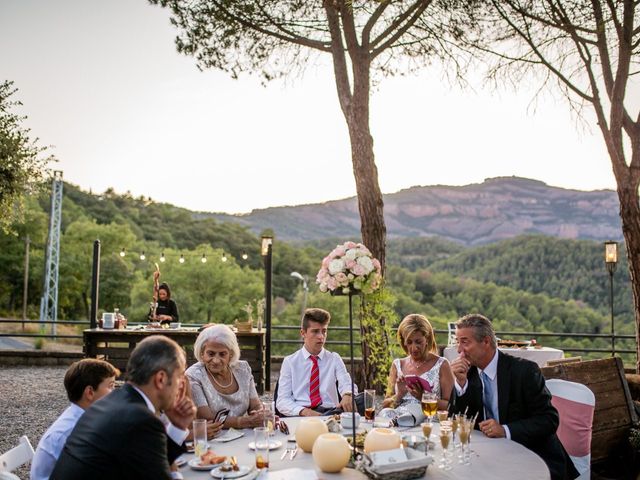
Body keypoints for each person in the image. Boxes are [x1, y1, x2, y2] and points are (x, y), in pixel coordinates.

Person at [449, 313, 578, 480]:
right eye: (457, 342)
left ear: (486, 341)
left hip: (534, 457)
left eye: (465, 342)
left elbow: (549, 420)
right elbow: (458, 422)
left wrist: (505, 430)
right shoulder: (468, 374)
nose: (459, 350)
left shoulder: (524, 371)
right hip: (491, 457)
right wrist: (460, 385)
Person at [51, 335, 196, 480]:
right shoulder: (141, 420)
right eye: (179, 376)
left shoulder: (107, 403)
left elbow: (151, 460)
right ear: (161, 379)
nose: (181, 385)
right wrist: (175, 472)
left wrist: (177, 426)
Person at [30, 359, 119, 480]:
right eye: (111, 386)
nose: (115, 393)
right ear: (90, 392)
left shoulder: (82, 419)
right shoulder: (70, 433)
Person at [276, 307, 362, 417]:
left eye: (324, 331)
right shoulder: (290, 362)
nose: (321, 337)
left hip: (331, 412)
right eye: (315, 331)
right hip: (303, 413)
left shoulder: (334, 358)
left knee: (363, 399)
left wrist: (348, 394)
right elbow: (282, 401)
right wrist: (305, 412)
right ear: (303, 333)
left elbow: (346, 382)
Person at [186, 324, 263, 429]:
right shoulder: (193, 376)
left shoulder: (243, 369)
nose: (216, 361)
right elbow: (206, 417)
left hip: (243, 435)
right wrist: (246, 421)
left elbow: (255, 405)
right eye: (211, 354)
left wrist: (260, 415)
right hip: (213, 437)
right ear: (202, 353)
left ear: (230, 354)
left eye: (222, 354)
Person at [383, 314, 454, 411]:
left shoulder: (442, 364)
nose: (414, 347)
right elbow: (385, 406)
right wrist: (399, 395)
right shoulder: (398, 365)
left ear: (427, 339)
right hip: (399, 423)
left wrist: (423, 397)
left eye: (418, 342)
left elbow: (450, 406)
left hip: (429, 422)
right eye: (409, 342)